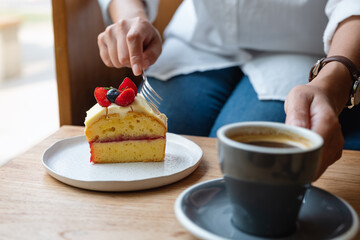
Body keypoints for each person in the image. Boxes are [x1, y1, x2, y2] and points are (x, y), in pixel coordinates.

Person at [96, 0, 360, 178]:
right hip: (201, 37)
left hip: (303, 46)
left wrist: (335, 78)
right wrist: (132, 18)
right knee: (147, 141)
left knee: (245, 163)